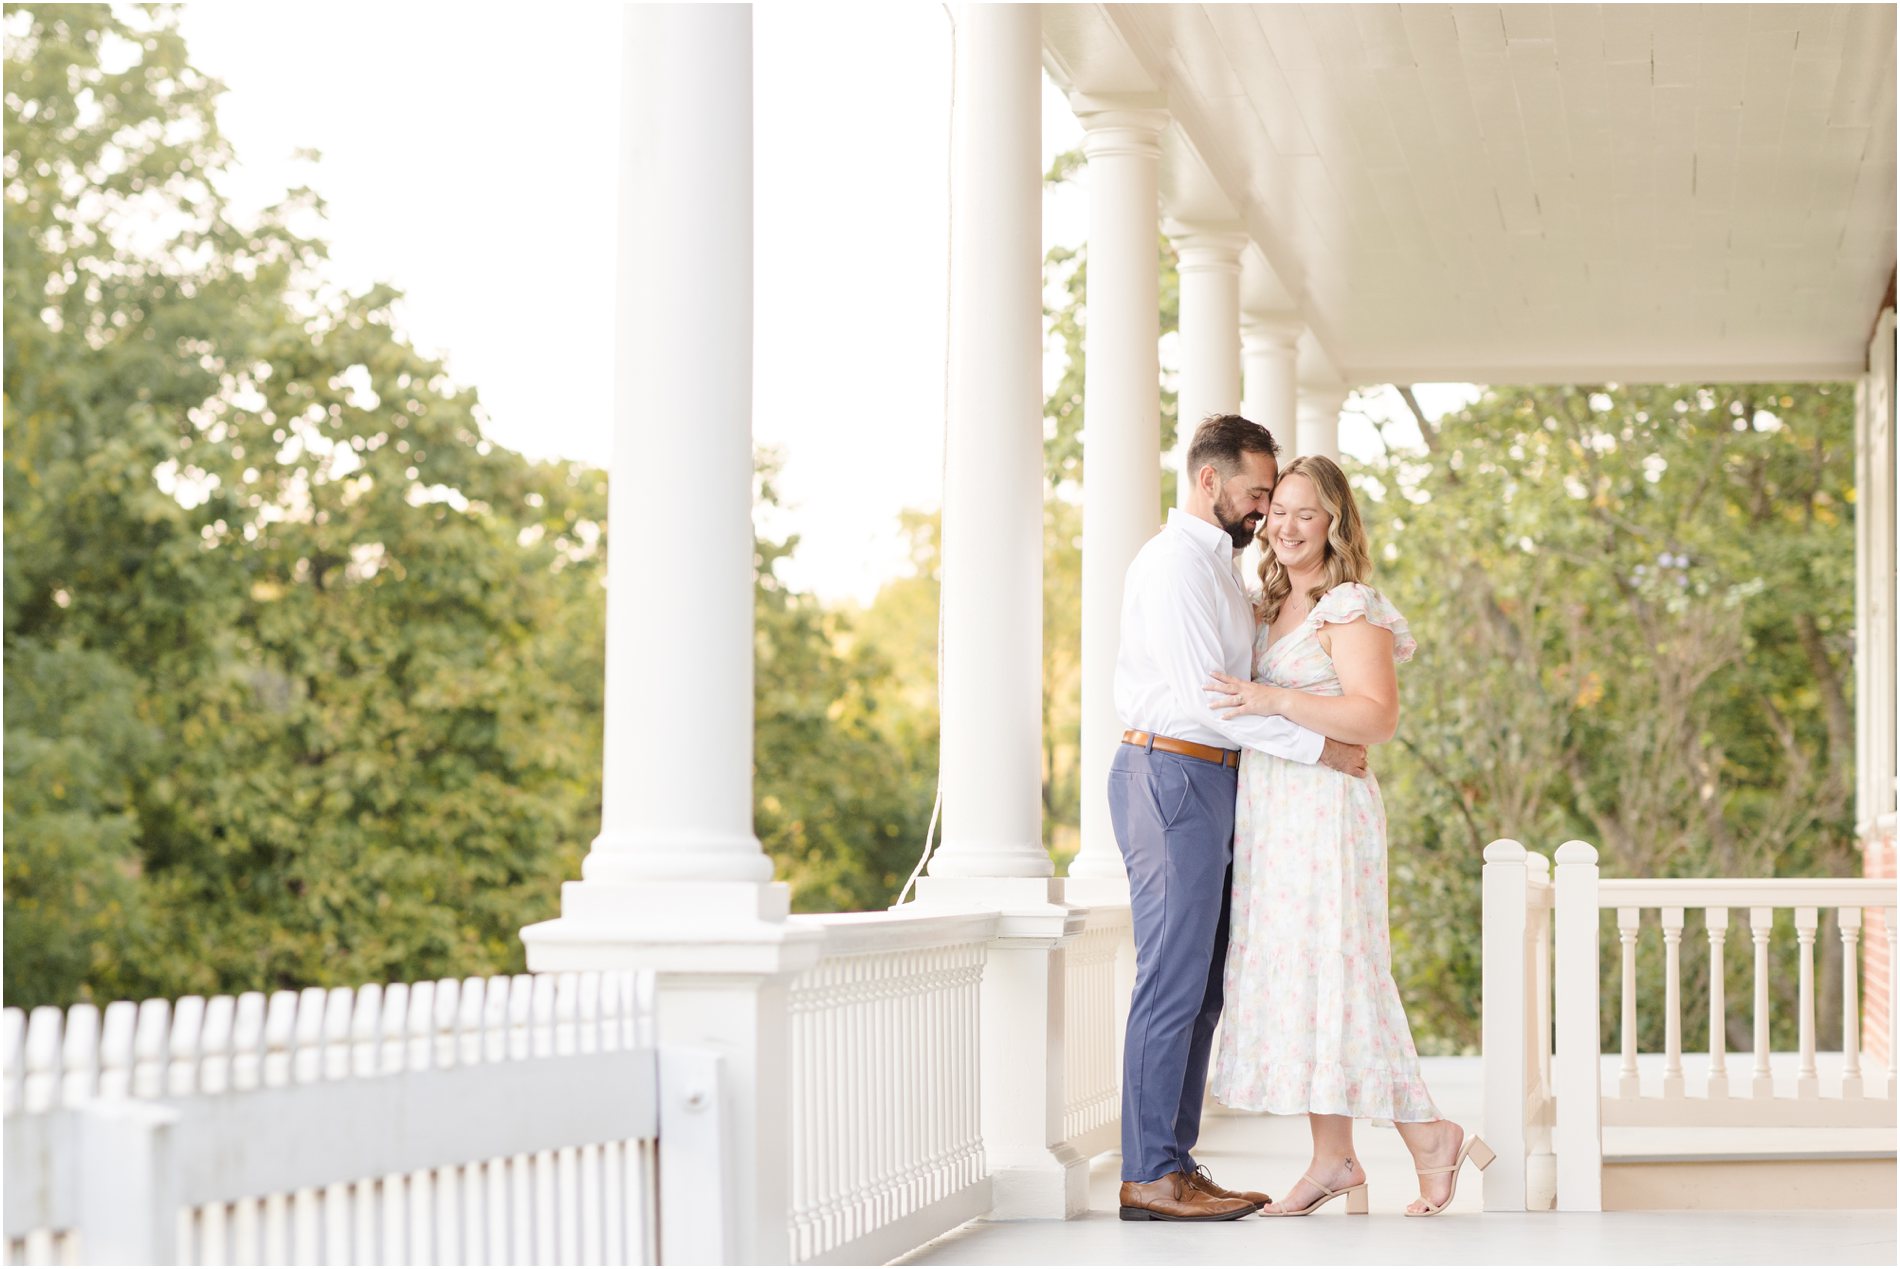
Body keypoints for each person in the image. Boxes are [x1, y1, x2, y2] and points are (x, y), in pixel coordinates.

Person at [1204, 454, 1492, 1218]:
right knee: (1305, 982)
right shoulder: (1269, 607)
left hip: (1329, 817)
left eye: (1307, 512)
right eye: (1280, 511)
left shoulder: (1349, 607)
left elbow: (1376, 719)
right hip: (1276, 817)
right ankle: (1333, 1158)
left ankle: (1430, 1134)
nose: (1288, 526)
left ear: (1335, 522)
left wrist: (1275, 697)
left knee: (1345, 973)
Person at [1109, 415, 1369, 1222]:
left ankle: (1176, 1162)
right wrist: (1317, 745)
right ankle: (1149, 1171)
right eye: (1257, 493)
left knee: (1206, 985)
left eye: (1275, 496)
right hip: (1174, 770)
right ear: (1209, 480)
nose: (1264, 511)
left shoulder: (1223, 568)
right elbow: (1207, 700)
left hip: (1216, 779)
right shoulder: (1173, 566)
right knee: (1173, 978)